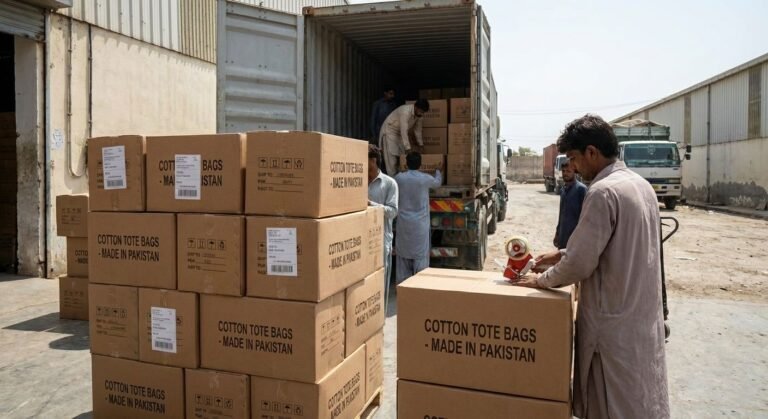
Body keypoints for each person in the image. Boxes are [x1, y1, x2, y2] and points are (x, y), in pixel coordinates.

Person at [517, 114, 669, 418]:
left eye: (574, 158)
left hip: (612, 331)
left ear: (591, 152)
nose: (572, 167)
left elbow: (581, 265)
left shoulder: (603, 192)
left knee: (610, 405)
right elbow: (614, 247)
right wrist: (561, 253)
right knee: (641, 402)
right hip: (641, 322)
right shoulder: (640, 186)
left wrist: (542, 281)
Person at [394, 152, 442, 284]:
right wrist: (438, 170)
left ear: (406, 164)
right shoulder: (424, 178)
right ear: (420, 164)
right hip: (419, 225)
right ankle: (419, 288)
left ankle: (403, 288)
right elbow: (437, 183)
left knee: (403, 257)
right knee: (420, 257)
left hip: (403, 223)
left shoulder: (399, 178)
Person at [367, 145, 398, 303]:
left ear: (373, 161)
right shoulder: (357, 180)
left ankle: (380, 322)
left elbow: (393, 211)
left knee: (380, 284)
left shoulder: (389, 183)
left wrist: (371, 205)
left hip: (380, 241)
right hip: (362, 241)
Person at [379, 99, 430, 175]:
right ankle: (393, 180)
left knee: (402, 156)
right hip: (390, 131)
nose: (422, 113)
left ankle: (400, 179)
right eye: (421, 111)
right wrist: (408, 148)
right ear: (416, 107)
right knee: (392, 158)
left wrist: (421, 144)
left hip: (399, 134)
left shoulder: (419, 116)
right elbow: (404, 130)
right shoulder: (405, 111)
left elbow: (418, 130)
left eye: (423, 112)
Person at [554, 160, 587, 249]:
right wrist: (557, 233)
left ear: (574, 172)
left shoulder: (581, 189)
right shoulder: (563, 189)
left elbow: (585, 216)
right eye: (563, 171)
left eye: (568, 171)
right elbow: (561, 214)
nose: (565, 173)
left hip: (575, 239)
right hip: (563, 236)